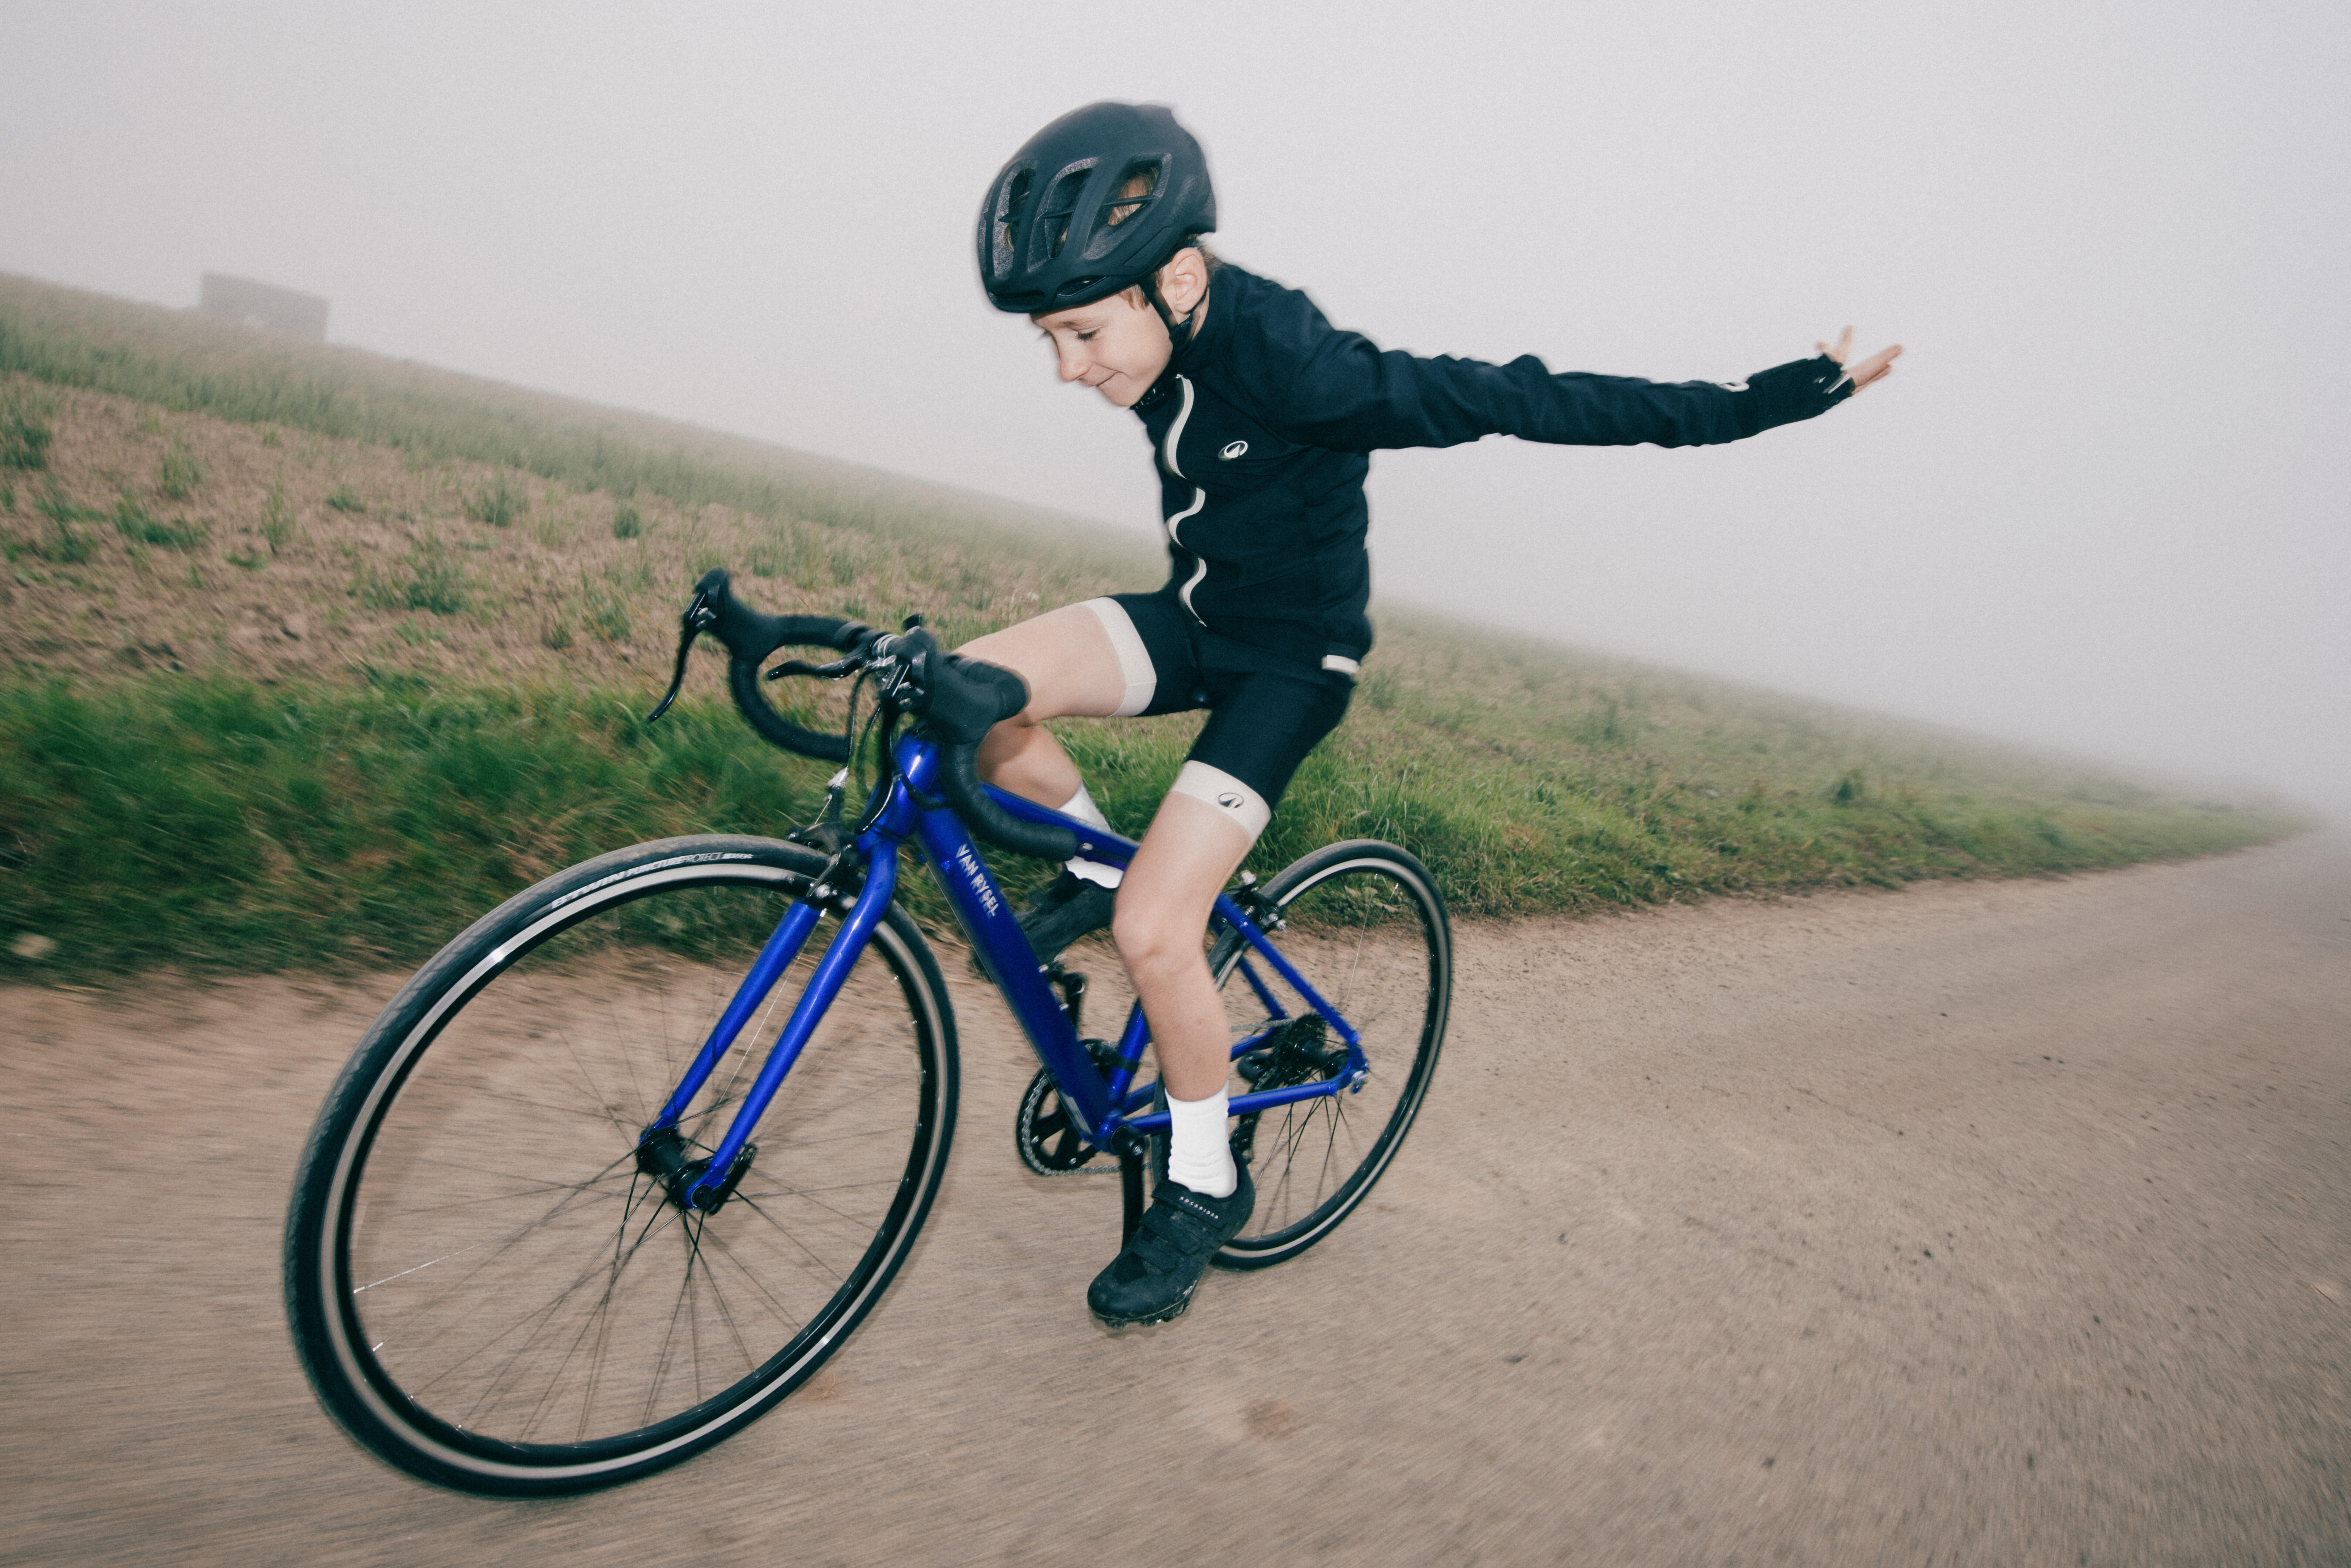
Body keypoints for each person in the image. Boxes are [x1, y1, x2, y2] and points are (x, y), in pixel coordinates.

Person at [957, 102, 1900, 1328]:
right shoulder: (1161, 329)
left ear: (1177, 279)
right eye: (1051, 340)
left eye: (1081, 333)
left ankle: (1201, 1180)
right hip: (1196, 615)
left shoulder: (1301, 367)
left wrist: (1760, 401)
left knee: (1156, 929)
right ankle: (1090, 854)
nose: (1070, 367)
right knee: (971, 690)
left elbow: (1522, 396)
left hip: (1290, 663)